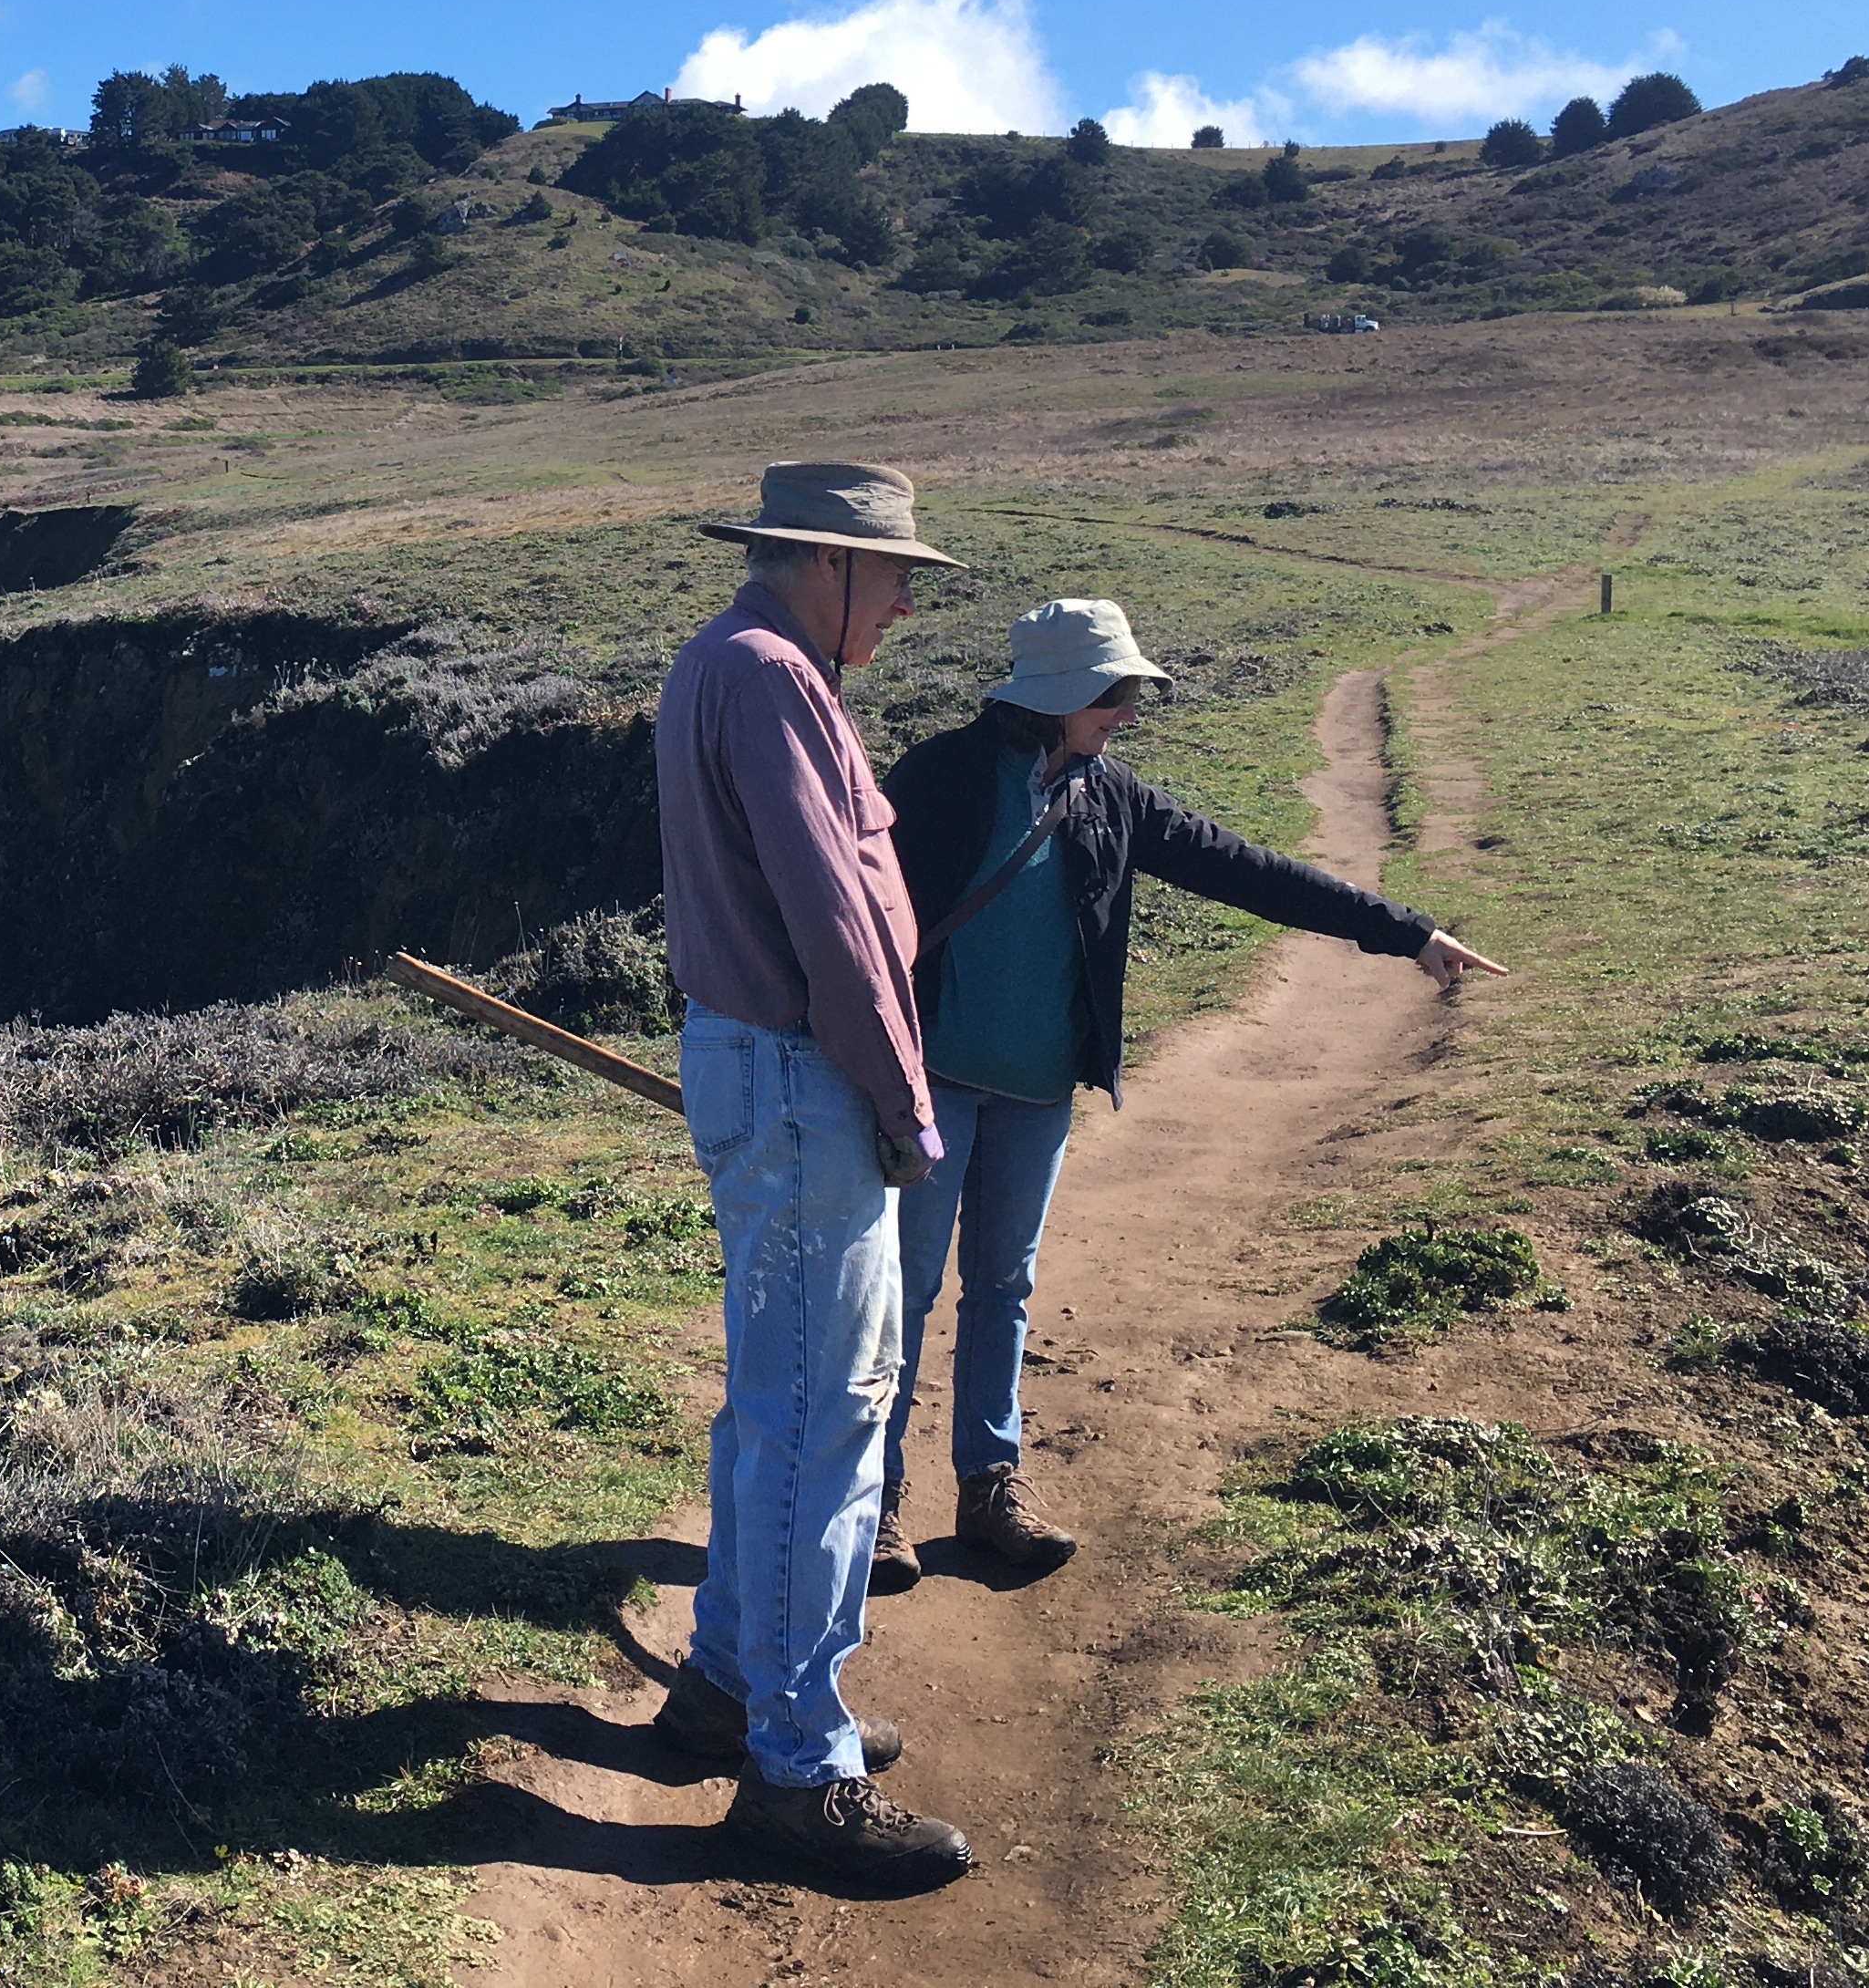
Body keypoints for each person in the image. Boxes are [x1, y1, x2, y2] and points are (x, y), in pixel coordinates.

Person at [874, 598, 1505, 1587]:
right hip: (934, 1085)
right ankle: (875, 1500)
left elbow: (1245, 870)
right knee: (903, 1293)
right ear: (1056, 698)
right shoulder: (940, 776)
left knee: (1002, 1287)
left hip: (1038, 1092)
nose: (1127, 711)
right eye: (1114, 694)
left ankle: (990, 1484)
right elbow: (856, 911)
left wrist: (1405, 930)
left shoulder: (1110, 796)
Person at [645, 460, 975, 1892]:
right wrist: (905, 1100)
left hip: (763, 1068)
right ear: (824, 563)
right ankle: (796, 1765)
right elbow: (837, 924)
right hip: (800, 1078)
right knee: (821, 1423)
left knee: (780, 1404)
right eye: (895, 572)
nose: (906, 599)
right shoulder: (773, 674)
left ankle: (729, 1683)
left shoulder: (728, 660)